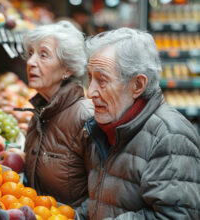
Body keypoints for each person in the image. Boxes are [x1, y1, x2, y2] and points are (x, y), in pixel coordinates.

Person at [78, 27, 200, 219]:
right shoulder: (104, 128)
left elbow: (175, 215)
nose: (90, 92)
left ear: (137, 85)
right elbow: (104, 201)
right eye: (90, 78)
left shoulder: (170, 137)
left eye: (102, 80)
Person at [18, 20, 94, 207]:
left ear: (67, 69)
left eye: (43, 55)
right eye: (30, 53)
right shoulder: (41, 111)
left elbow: (104, 196)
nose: (31, 62)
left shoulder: (87, 119)